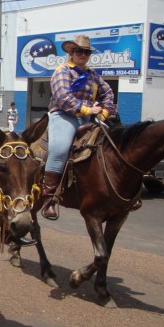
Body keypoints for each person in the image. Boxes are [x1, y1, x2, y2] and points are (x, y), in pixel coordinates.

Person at [41, 35, 116, 220]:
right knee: (59, 149)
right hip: (65, 115)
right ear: (71, 53)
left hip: (89, 118)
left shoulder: (93, 74)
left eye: (86, 52)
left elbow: (108, 93)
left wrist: (105, 112)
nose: (83, 55)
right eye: (79, 51)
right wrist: (87, 109)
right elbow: (63, 97)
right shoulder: (62, 71)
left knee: (114, 143)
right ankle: (49, 198)